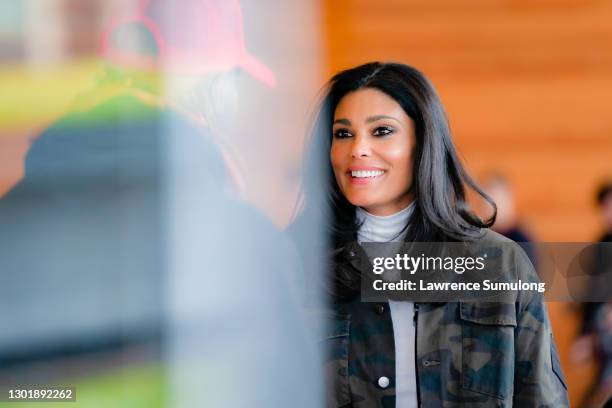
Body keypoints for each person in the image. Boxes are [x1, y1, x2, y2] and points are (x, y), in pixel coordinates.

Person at [290, 62, 569, 407]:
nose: (357, 149)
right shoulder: (291, 265)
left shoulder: (501, 263)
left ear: (423, 142)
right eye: (343, 134)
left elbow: (542, 398)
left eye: (381, 131)